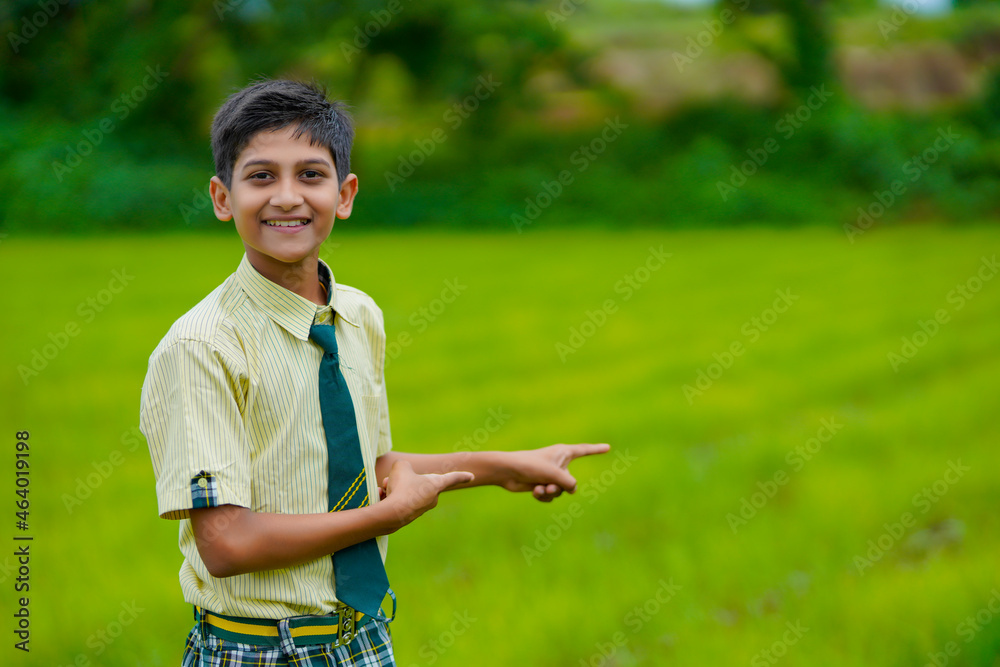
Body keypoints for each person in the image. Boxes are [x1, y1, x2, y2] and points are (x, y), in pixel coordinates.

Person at [139, 78, 609, 666]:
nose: (287, 197)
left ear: (345, 193)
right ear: (221, 197)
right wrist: (389, 517)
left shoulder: (358, 315)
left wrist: (503, 467)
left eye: (311, 174)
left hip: (363, 639)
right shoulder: (202, 346)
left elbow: (371, 469)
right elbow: (227, 543)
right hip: (257, 649)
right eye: (261, 176)